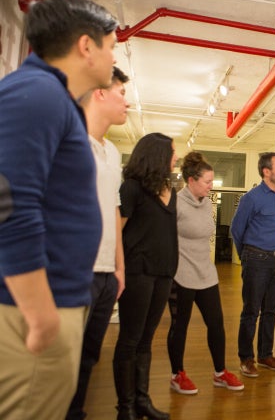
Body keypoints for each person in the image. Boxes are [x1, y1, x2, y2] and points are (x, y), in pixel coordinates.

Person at [0, 0, 117, 420]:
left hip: (53, 301)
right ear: (86, 46)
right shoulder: (38, 94)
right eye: (111, 46)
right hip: (28, 314)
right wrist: (40, 314)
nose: (112, 57)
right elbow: (7, 201)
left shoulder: (49, 97)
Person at [66, 67, 129, 420]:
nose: (127, 101)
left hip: (106, 274)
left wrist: (119, 268)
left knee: (90, 354)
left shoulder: (114, 153)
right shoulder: (70, 142)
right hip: (76, 271)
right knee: (64, 358)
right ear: (100, 93)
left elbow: (114, 211)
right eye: (121, 92)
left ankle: (75, 412)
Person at [168, 152, 244, 394]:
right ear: (191, 180)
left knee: (216, 324)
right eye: (207, 182)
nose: (211, 186)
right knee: (180, 325)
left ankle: (220, 373)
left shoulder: (208, 202)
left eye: (212, 182)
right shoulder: (175, 203)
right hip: (182, 275)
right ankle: (177, 374)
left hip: (206, 274)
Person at [114, 133, 178, 420]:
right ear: (158, 155)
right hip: (137, 272)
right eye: (172, 152)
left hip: (163, 273)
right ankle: (125, 407)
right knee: (130, 339)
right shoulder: (131, 188)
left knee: (146, 340)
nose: (176, 157)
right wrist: (118, 270)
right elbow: (117, 231)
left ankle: (142, 400)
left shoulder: (170, 190)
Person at [231, 152, 275, 378]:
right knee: (251, 311)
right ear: (267, 171)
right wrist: (246, 256)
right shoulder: (252, 198)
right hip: (256, 259)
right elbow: (237, 229)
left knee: (271, 311)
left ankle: (266, 355)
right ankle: (246, 358)